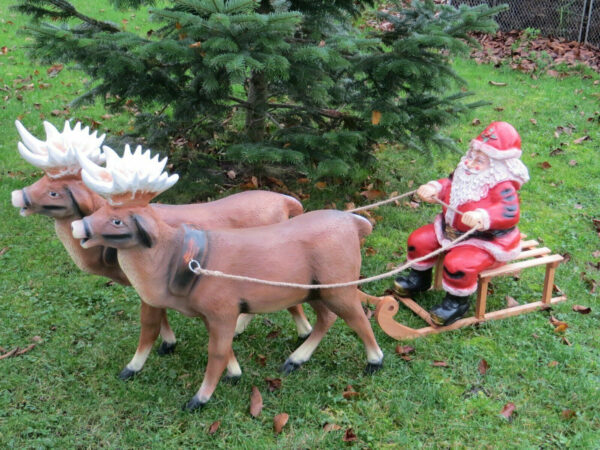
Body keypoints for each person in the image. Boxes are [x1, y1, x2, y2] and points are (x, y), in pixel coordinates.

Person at [394, 121, 530, 326]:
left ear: (494, 166)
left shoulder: (501, 185)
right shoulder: (463, 173)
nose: (470, 163)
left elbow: (509, 212)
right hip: (449, 230)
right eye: (471, 156)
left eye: (480, 160)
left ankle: (456, 303)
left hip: (485, 240)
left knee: (458, 264)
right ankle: (418, 279)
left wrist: (483, 216)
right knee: (419, 240)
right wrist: (434, 188)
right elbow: (448, 183)